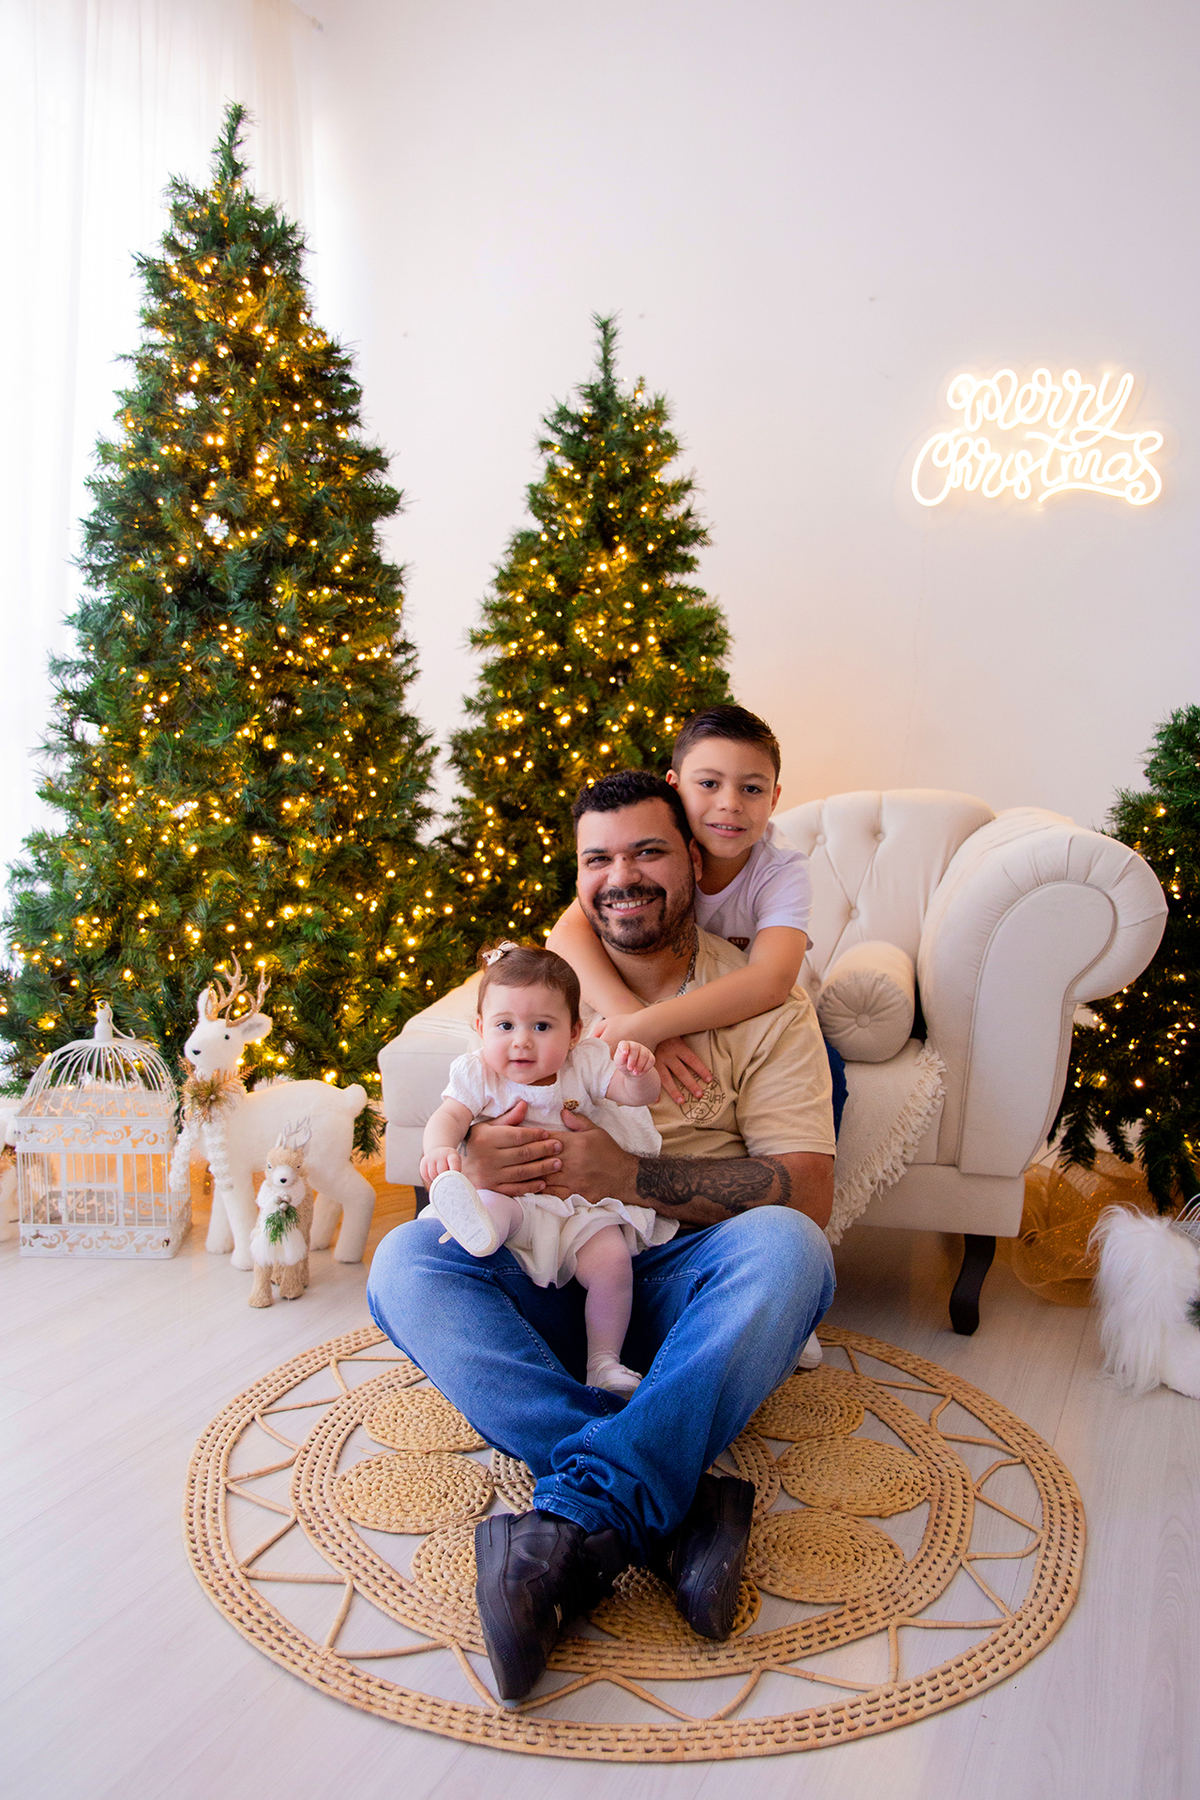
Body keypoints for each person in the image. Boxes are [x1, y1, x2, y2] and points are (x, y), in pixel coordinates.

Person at [367, 770, 836, 1703]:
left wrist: (627, 1176)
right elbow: (464, 1114)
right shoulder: (544, 988)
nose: (622, 876)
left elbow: (808, 1192)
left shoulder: (766, 1002)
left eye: (648, 851)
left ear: (695, 860)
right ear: (578, 878)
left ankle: (572, 1519)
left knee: (791, 1251)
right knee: (405, 1259)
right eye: (598, 859)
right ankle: (669, 1502)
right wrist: (481, 1157)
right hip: (536, 1266)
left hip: (666, 1267)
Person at [420, 940, 673, 1398]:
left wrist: (639, 1073)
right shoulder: (479, 1074)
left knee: (612, 1262)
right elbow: (450, 1117)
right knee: (492, 1210)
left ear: (575, 1032)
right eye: (504, 1025)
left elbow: (638, 1096)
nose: (521, 1040)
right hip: (513, 1199)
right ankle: (476, 1233)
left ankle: (603, 1363)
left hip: (579, 1207)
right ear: (480, 1028)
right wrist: (439, 1148)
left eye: (541, 1025)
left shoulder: (585, 1065)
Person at [547, 704, 812, 1106]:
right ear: (674, 786)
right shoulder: (653, 849)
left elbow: (771, 981)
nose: (730, 804)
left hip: (757, 1016)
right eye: (709, 783)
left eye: (752, 789)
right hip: (663, 1003)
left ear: (774, 798)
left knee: (824, 1076)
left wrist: (649, 1026)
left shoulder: (781, 869)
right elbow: (566, 935)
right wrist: (633, 1018)